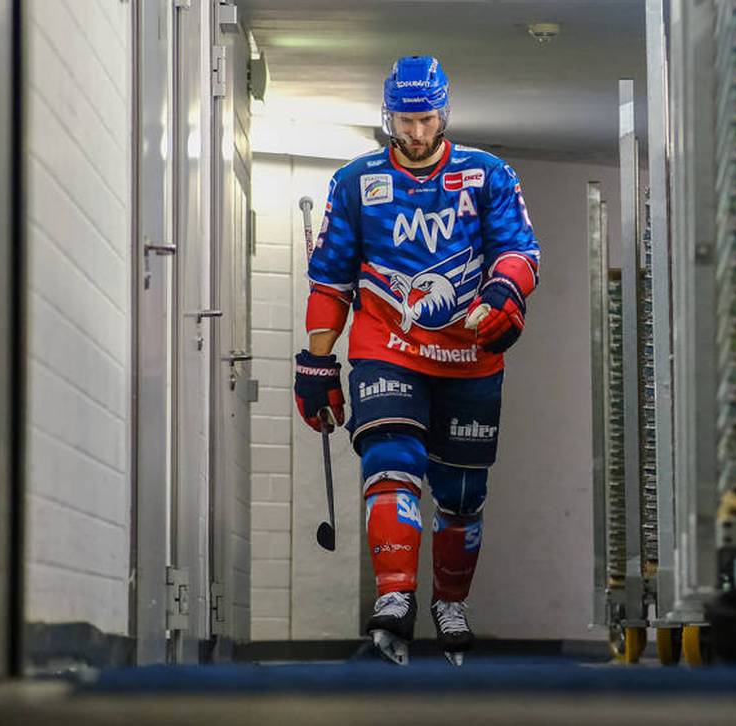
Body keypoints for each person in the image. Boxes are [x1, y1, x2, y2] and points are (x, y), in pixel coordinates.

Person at [293, 55, 540, 666]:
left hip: (469, 354)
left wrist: (504, 294)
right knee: (391, 457)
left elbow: (520, 252)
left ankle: (449, 601)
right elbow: (330, 281)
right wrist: (316, 363)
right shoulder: (354, 182)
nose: (415, 133)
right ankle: (395, 596)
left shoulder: (488, 175)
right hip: (388, 346)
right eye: (404, 120)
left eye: (425, 119)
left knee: (460, 494)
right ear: (388, 117)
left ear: (444, 114)